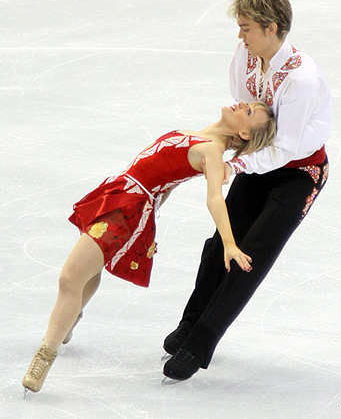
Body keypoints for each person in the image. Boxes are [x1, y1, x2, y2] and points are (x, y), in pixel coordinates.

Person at [22, 100, 276, 396]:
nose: (242, 105)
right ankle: (69, 319)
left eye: (248, 113)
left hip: (127, 210)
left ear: (245, 134)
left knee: (69, 278)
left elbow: (215, 199)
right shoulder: (203, 136)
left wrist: (230, 244)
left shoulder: (212, 152)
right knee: (87, 270)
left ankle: (43, 358)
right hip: (121, 195)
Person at [163, 0, 331, 381]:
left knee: (248, 257)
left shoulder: (302, 80)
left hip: (298, 172)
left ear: (272, 28)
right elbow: (243, 116)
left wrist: (233, 169)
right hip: (259, 159)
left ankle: (200, 344)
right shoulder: (247, 55)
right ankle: (189, 324)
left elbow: (286, 147)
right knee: (219, 245)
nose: (240, 36)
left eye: (247, 28)